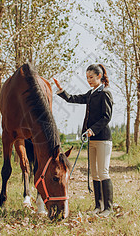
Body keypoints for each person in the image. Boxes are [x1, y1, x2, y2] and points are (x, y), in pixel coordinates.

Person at [53, 64, 114, 217]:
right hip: (91, 139)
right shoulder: (91, 93)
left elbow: (106, 117)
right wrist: (61, 90)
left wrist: (92, 130)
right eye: (87, 78)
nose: (89, 80)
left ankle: (108, 208)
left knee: (103, 172)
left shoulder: (105, 93)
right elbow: (74, 98)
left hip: (103, 139)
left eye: (91, 77)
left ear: (99, 76)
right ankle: (98, 206)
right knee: (94, 173)